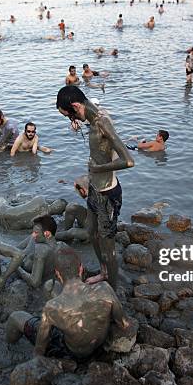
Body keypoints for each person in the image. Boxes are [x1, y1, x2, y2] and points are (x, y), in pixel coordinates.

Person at [56, 86, 135, 288]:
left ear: (75, 105)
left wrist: (99, 167)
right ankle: (104, 272)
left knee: (108, 247)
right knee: (91, 232)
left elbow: (128, 161)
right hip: (95, 188)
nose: (71, 120)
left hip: (108, 194)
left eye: (69, 116)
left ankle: (113, 290)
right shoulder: (91, 118)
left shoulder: (101, 123)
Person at [5, 247, 130, 358]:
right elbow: (123, 323)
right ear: (81, 268)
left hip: (73, 352)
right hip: (98, 346)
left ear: (57, 274)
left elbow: (40, 349)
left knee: (16, 317)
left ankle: (8, 349)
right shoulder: (104, 288)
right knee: (51, 288)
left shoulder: (51, 307)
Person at [0, 195, 67, 230]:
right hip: (9, 226)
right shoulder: (44, 223)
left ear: (55, 202)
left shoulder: (40, 199)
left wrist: (12, 203)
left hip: (1, 214)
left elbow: (22, 203)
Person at [16, 215, 59, 289]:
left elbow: (35, 282)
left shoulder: (42, 250)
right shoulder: (58, 245)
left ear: (47, 234)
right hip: (24, 258)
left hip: (24, 270)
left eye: (36, 232)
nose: (33, 235)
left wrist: (16, 268)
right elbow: (16, 248)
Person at [56, 176, 91, 243]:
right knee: (71, 207)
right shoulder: (91, 191)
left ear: (82, 190)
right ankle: (66, 231)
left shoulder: (99, 200)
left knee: (72, 232)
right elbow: (78, 184)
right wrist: (66, 182)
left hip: (96, 231)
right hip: (90, 220)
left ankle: (56, 236)